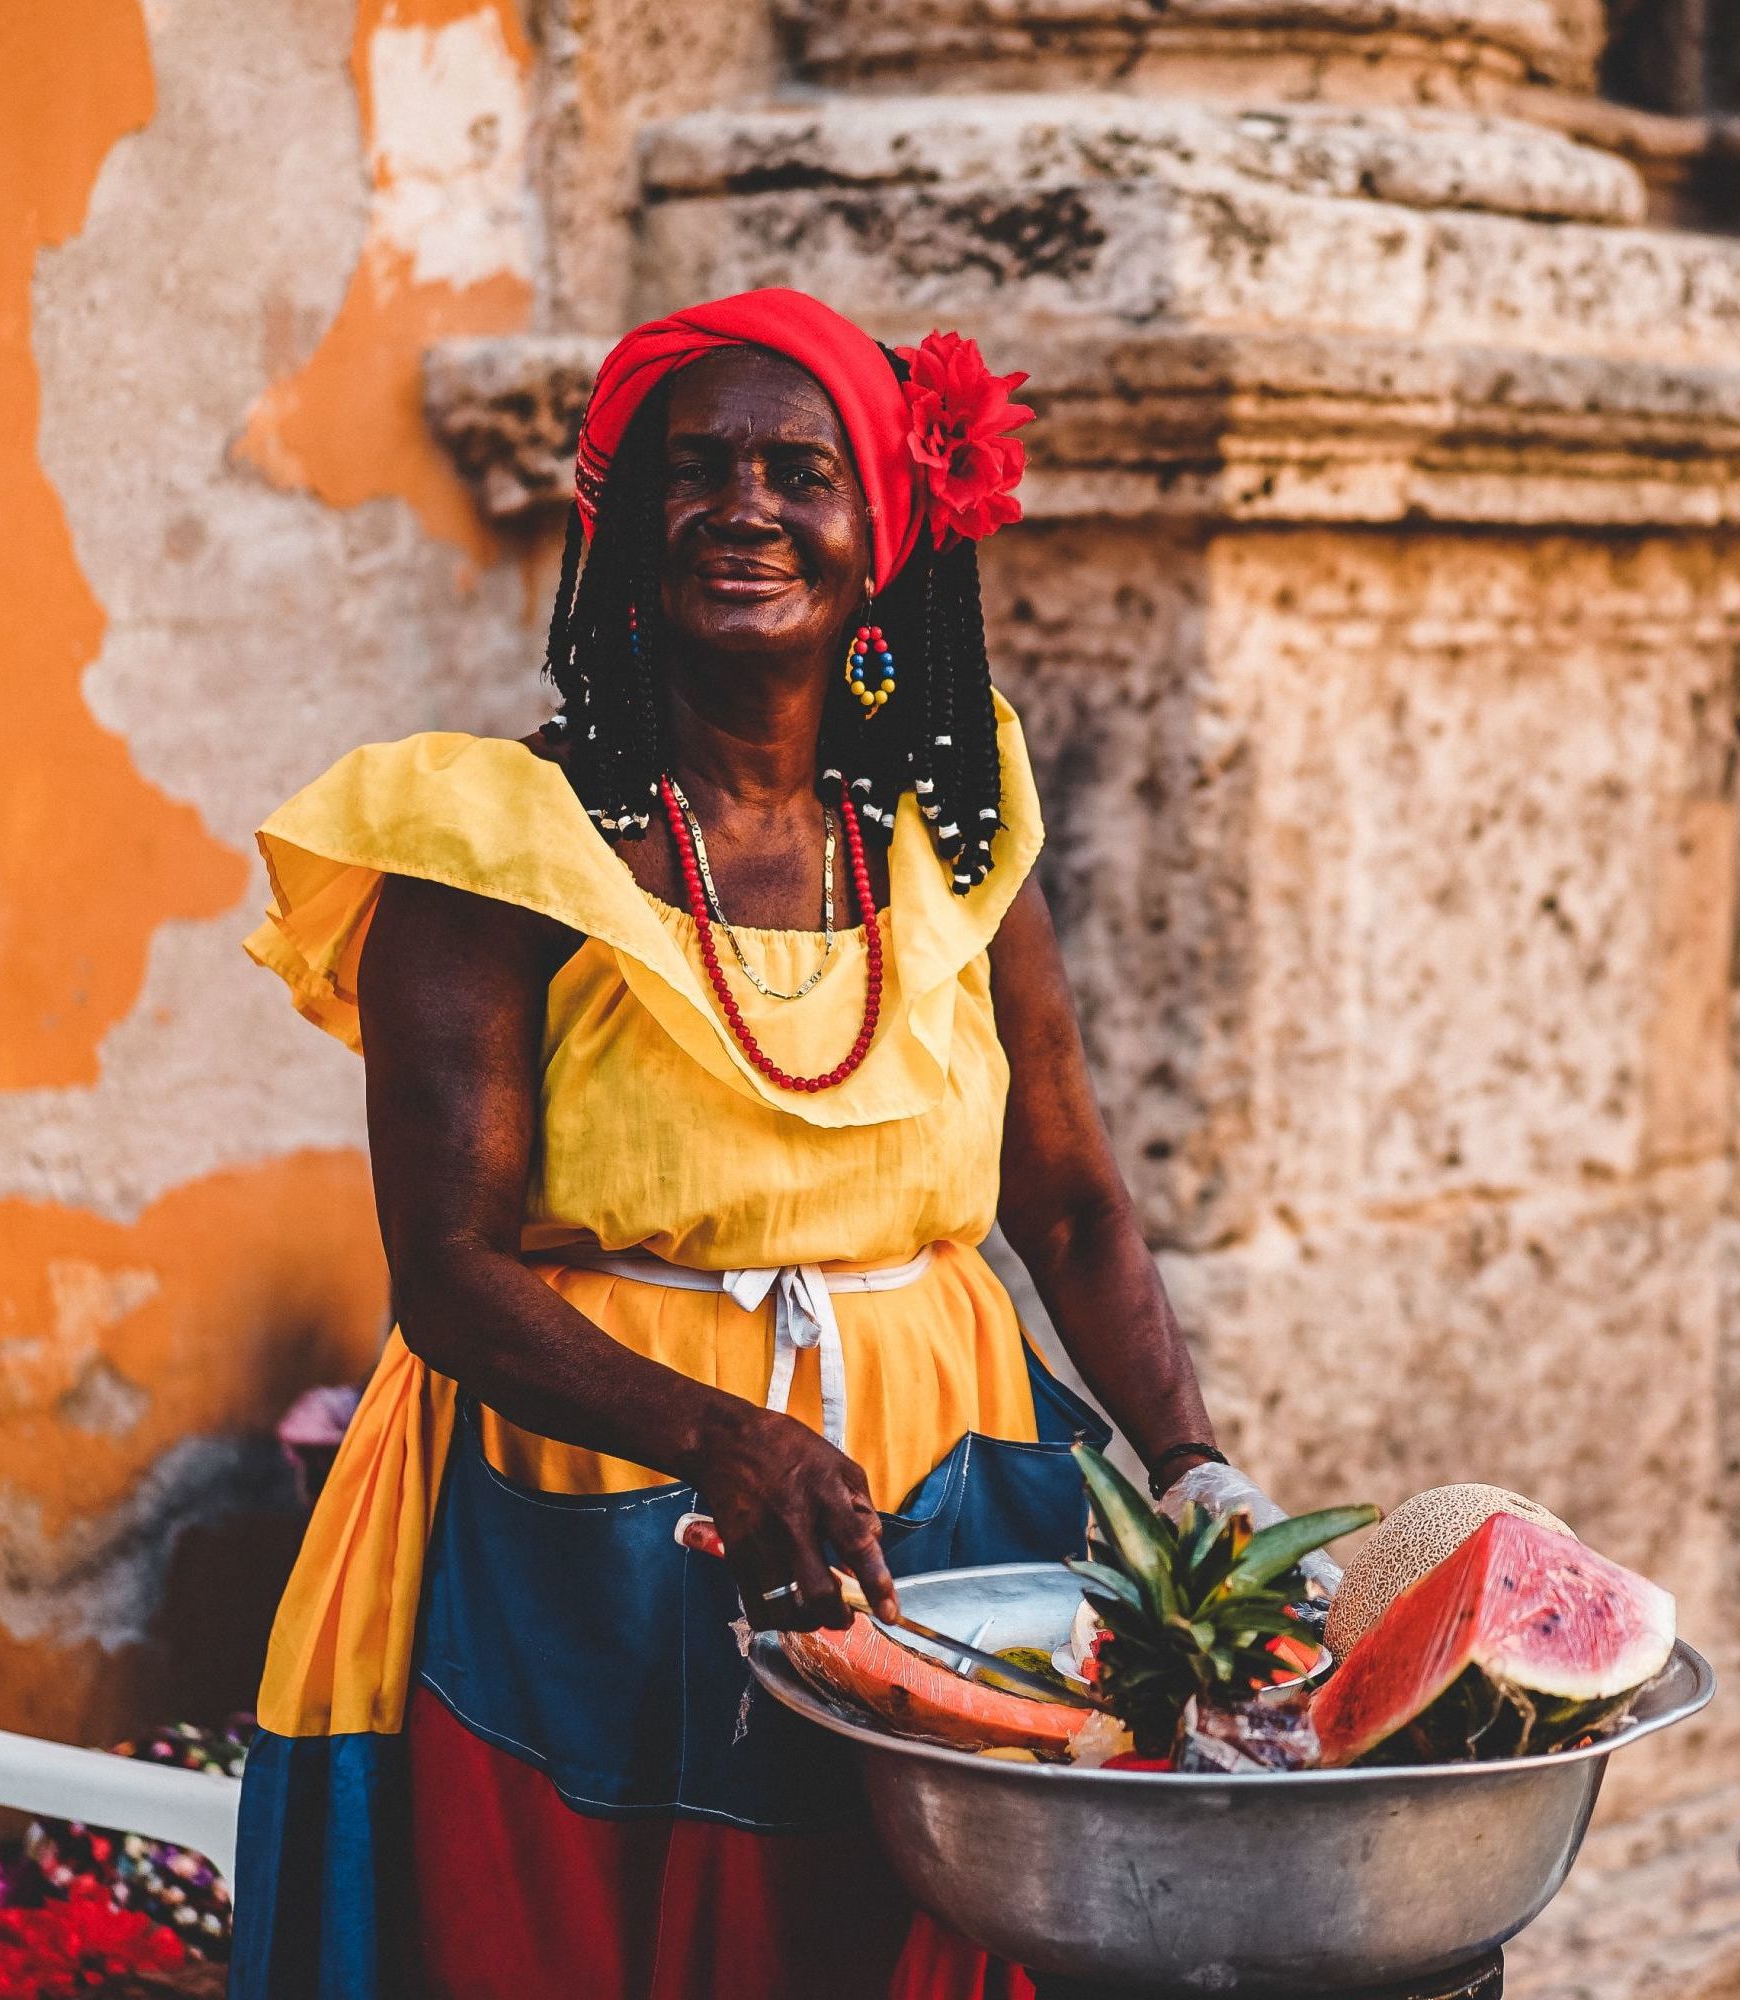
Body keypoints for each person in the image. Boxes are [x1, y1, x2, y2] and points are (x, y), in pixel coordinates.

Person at [229, 289, 1275, 2000]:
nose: (745, 506)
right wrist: (726, 1437)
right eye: (695, 468)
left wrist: (1196, 1471)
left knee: (895, 1934)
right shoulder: (493, 846)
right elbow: (451, 1271)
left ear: (883, 535)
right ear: (623, 529)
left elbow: (1072, 1206)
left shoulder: (946, 840)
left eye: (802, 470)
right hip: (590, 1511)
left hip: (942, 1499)